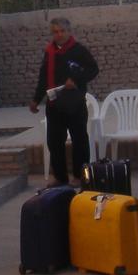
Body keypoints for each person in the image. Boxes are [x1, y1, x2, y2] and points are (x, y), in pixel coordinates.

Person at [29, 17, 99, 187]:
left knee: (79, 140)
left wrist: (75, 80)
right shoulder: (49, 52)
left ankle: (79, 176)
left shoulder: (78, 50)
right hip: (54, 104)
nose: (59, 35)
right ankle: (60, 177)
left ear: (68, 31)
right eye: (55, 32)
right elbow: (43, 77)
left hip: (74, 104)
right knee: (54, 141)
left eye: (62, 31)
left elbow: (93, 69)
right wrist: (36, 99)